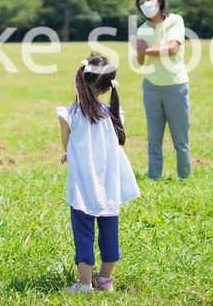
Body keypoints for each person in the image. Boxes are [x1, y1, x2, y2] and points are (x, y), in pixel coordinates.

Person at [56, 54, 140, 294]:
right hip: (109, 184)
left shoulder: (69, 114)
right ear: (106, 88)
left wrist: (70, 153)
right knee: (109, 229)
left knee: (83, 231)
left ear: (80, 81)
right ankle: (104, 280)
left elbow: (68, 143)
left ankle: (84, 285)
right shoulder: (114, 113)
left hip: (83, 184)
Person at [131, 0, 192, 180]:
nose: (145, 4)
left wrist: (145, 50)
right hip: (152, 87)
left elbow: (172, 49)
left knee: (180, 139)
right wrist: (139, 52)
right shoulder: (142, 30)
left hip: (175, 86)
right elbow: (140, 62)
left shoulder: (175, 21)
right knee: (154, 139)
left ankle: (185, 177)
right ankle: (154, 177)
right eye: (141, 2)